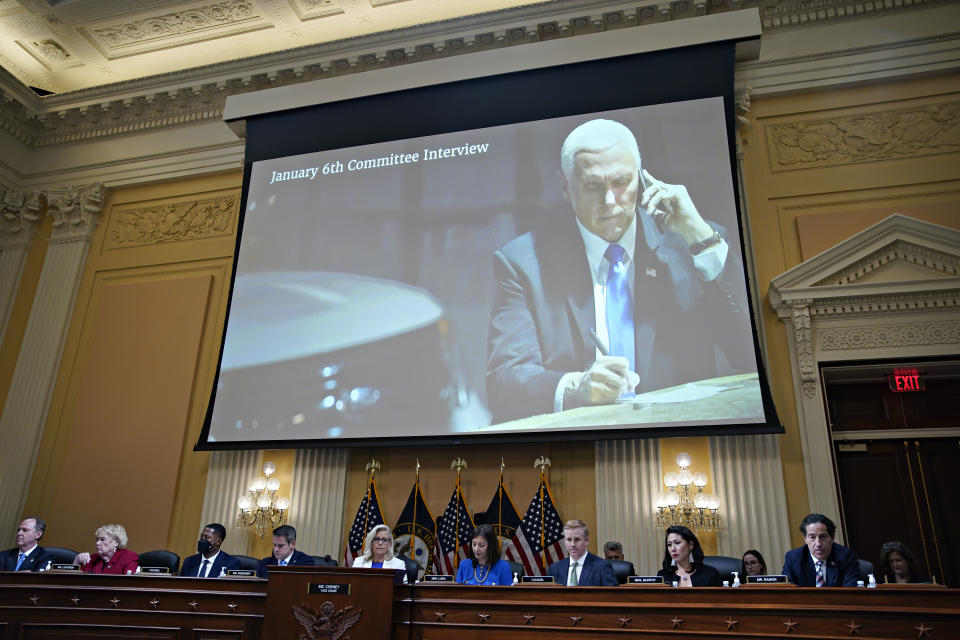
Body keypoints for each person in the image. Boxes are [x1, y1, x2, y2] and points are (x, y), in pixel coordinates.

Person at [486, 118, 751, 423]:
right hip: (579, 441)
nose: (609, 201)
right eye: (593, 186)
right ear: (565, 186)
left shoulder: (692, 244)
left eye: (622, 182)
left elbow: (747, 351)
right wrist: (577, 386)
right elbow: (504, 380)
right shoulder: (523, 262)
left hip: (680, 435)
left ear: (640, 178)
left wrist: (702, 240)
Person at [782, 513, 860, 587]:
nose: (818, 544)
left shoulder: (846, 556)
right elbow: (788, 591)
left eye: (823, 536)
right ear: (805, 538)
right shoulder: (794, 558)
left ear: (832, 537)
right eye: (812, 537)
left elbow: (849, 593)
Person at [547, 519, 617, 586]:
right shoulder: (554, 569)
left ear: (586, 541)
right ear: (564, 541)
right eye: (569, 539)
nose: (572, 544)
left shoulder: (602, 567)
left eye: (577, 539)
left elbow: (613, 596)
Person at [656, 525, 722, 587]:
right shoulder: (662, 576)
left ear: (691, 545)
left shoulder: (711, 574)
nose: (673, 548)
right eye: (669, 544)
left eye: (677, 543)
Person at [74, 524, 139, 574]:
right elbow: (73, 582)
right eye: (97, 540)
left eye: (102, 539)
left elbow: (128, 583)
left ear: (116, 542)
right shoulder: (91, 559)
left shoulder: (128, 557)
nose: (97, 543)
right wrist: (76, 562)